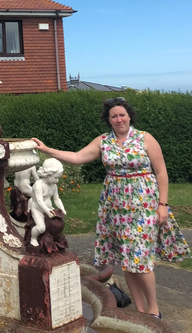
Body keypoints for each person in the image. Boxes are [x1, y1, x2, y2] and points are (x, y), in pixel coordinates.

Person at [32, 97, 190, 319]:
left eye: (122, 115)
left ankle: (154, 311)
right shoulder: (104, 141)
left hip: (144, 204)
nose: (119, 119)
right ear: (109, 119)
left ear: (129, 116)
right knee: (127, 259)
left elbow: (161, 172)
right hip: (115, 207)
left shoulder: (145, 138)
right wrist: (47, 150)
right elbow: (78, 157)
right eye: (114, 116)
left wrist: (162, 205)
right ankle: (140, 311)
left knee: (141, 259)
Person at [27, 159, 66, 247]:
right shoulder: (38, 184)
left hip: (49, 209)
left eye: (58, 178)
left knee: (55, 226)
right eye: (55, 178)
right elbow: (39, 200)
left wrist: (62, 208)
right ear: (48, 175)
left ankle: (50, 243)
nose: (57, 181)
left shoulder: (53, 186)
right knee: (41, 228)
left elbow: (56, 198)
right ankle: (33, 238)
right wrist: (47, 211)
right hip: (37, 209)